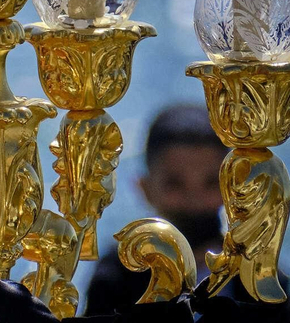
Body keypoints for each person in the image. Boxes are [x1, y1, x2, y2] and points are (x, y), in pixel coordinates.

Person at [83, 103, 271, 314]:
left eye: (211, 183)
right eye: (175, 184)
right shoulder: (115, 281)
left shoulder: (260, 279)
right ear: (145, 188)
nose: (195, 200)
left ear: (232, 189)